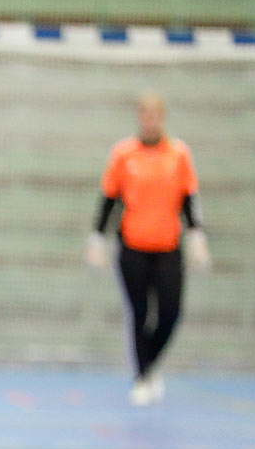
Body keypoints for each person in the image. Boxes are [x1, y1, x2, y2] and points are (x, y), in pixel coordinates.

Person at [85, 91, 209, 406]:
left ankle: (148, 365)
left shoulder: (178, 154)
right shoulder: (124, 154)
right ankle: (142, 377)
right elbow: (109, 199)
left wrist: (197, 236)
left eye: (155, 114)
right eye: (145, 114)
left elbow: (189, 198)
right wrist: (97, 238)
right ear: (139, 118)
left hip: (168, 246)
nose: (150, 120)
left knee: (170, 313)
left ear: (162, 117)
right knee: (138, 312)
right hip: (133, 247)